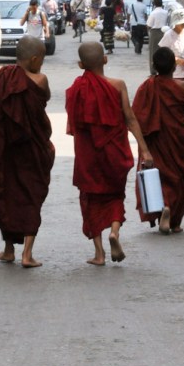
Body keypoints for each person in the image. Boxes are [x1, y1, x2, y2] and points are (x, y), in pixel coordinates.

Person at [65, 42, 153, 266]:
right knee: (115, 195)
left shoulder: (76, 89)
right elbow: (130, 119)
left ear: (81, 64)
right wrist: (144, 149)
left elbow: (74, 125)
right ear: (105, 59)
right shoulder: (118, 85)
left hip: (88, 156)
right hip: (115, 152)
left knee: (91, 199)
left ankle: (99, 253)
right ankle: (114, 232)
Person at [0, 35, 55, 268]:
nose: (41, 65)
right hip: (30, 150)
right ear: (34, 59)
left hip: (4, 149)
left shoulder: (3, 76)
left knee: (7, 194)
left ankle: (8, 250)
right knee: (31, 196)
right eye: (41, 60)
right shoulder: (40, 80)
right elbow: (44, 100)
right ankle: (27, 254)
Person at [132, 47, 184, 234]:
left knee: (159, 177)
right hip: (179, 138)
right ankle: (175, 222)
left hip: (156, 140)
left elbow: (135, 117)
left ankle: (164, 208)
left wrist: (144, 148)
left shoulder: (146, 87)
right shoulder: (181, 86)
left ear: (154, 65)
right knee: (179, 179)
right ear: (174, 67)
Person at [159, 7, 184, 80]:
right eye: (183, 23)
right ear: (177, 24)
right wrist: (176, 59)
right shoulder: (168, 35)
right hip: (174, 73)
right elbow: (163, 54)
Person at [146, 0, 168, 75]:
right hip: (164, 32)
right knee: (163, 52)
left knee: (153, 52)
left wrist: (148, 32)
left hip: (155, 33)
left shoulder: (153, 13)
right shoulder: (165, 12)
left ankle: (153, 70)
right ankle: (163, 69)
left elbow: (149, 25)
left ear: (154, 4)